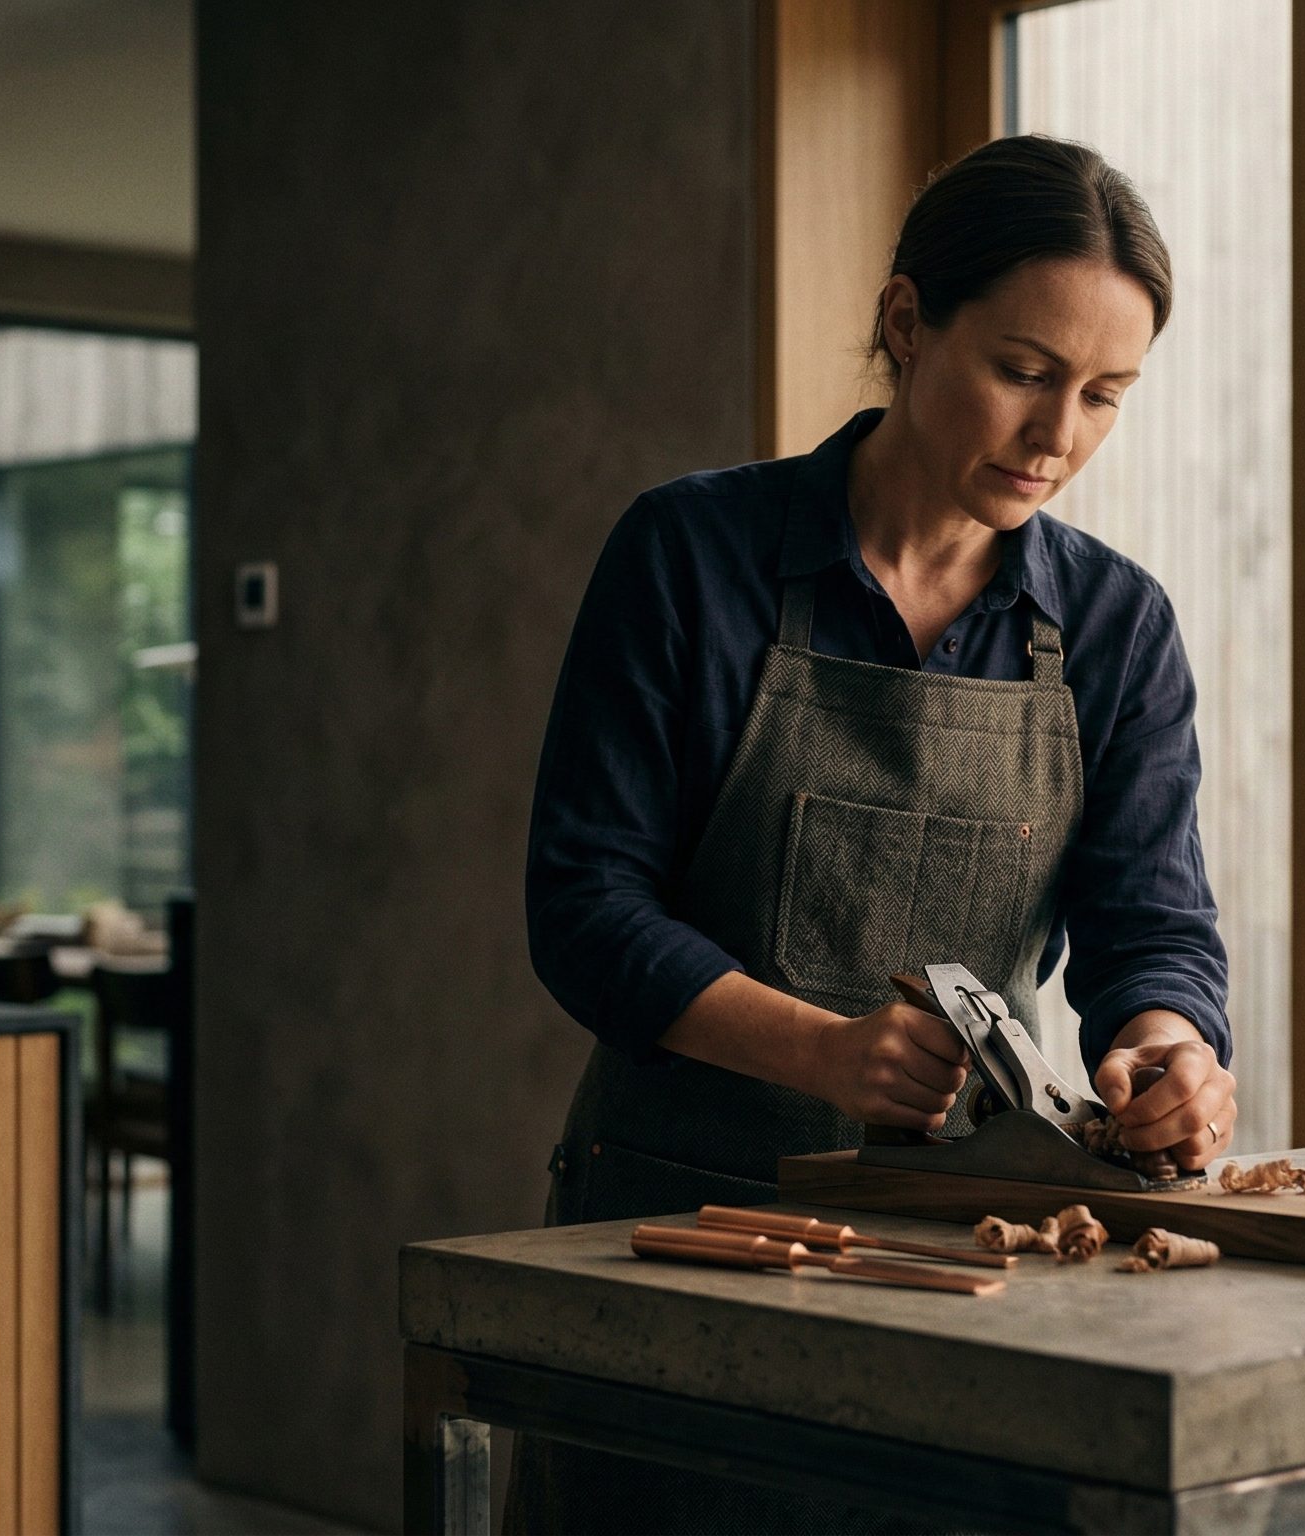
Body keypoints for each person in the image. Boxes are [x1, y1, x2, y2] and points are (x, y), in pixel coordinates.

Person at [511, 134, 1236, 1530]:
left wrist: (1168, 1053)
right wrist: (829, 1051)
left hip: (969, 1249)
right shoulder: (688, 558)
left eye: (1104, 395)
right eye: (1025, 371)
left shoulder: (1117, 629)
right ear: (909, 323)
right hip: (675, 1228)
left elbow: (1152, 928)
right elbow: (584, 906)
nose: (1058, 436)